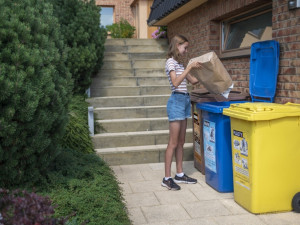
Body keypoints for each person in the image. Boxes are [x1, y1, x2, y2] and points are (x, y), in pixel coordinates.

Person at [162, 34, 202, 191]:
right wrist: (188, 68)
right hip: (176, 101)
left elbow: (193, 81)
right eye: (185, 47)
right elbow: (176, 82)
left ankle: (179, 174)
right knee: (172, 143)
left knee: (181, 142)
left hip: (185, 101)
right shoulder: (170, 62)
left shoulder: (180, 63)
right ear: (177, 46)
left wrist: (202, 68)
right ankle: (166, 178)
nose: (186, 51)